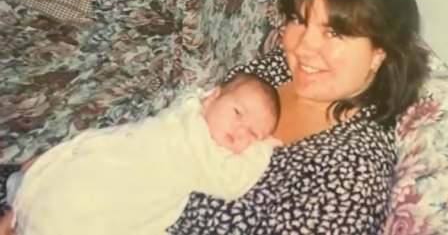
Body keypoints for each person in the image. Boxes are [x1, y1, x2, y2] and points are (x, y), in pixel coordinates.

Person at [166, 0, 430, 234]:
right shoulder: (273, 71)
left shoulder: (350, 172)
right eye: (299, 20)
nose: (303, 47)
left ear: (379, 53)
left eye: (334, 32)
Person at [0, 73, 281, 235]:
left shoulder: (207, 156)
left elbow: (231, 183)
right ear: (213, 98)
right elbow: (195, 94)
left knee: (66, 211)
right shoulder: (190, 111)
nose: (240, 129)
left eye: (252, 134)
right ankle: (19, 211)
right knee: (49, 184)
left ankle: (20, 215)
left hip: (105, 199)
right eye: (238, 113)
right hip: (98, 161)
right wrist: (260, 144)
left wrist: (262, 149)